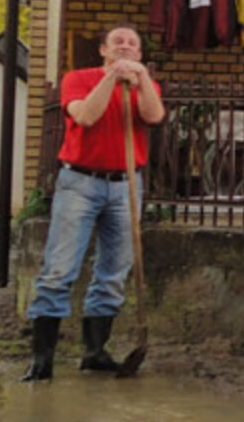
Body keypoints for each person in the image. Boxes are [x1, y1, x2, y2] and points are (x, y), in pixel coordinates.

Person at [23, 26, 165, 382]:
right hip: (80, 183)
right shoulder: (79, 78)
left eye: (133, 43)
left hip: (126, 185)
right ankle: (42, 363)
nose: (126, 47)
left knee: (114, 272)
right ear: (103, 50)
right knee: (59, 271)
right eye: (118, 42)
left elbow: (154, 117)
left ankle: (95, 353)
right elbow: (86, 115)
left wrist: (142, 79)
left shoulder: (145, 84)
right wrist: (111, 80)